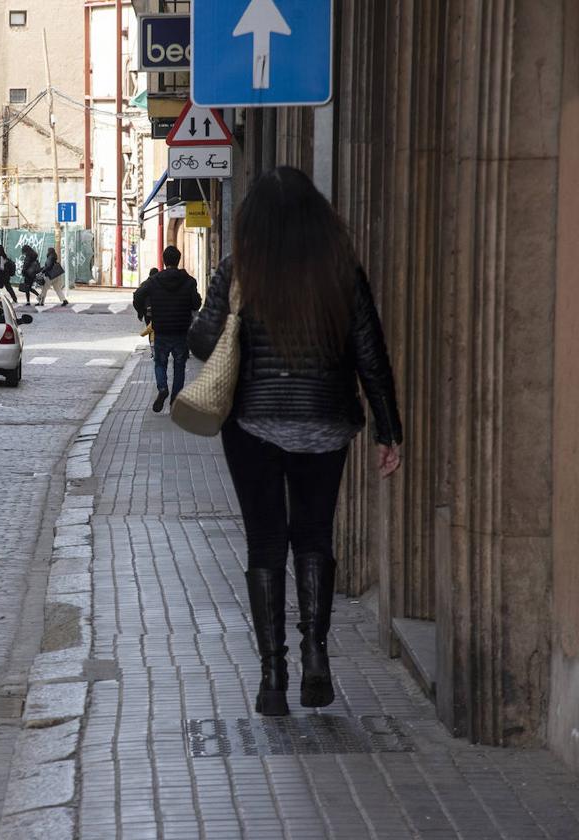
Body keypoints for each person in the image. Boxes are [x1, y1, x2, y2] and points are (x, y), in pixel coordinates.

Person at [188, 166, 403, 717]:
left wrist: (220, 302)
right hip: (325, 424)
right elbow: (370, 354)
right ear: (317, 218)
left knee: (265, 542)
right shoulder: (341, 272)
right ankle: (315, 658)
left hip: (253, 424)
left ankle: (271, 678)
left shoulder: (238, 270)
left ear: (253, 221)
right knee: (314, 536)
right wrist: (388, 428)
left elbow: (204, 344)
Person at [133, 246, 201, 413]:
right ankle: (175, 401)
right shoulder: (189, 281)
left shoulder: (154, 280)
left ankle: (162, 388)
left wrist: (142, 311)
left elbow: (138, 295)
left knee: (160, 363)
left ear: (164, 261)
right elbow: (196, 304)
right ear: (178, 260)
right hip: (181, 331)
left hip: (161, 330)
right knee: (179, 366)